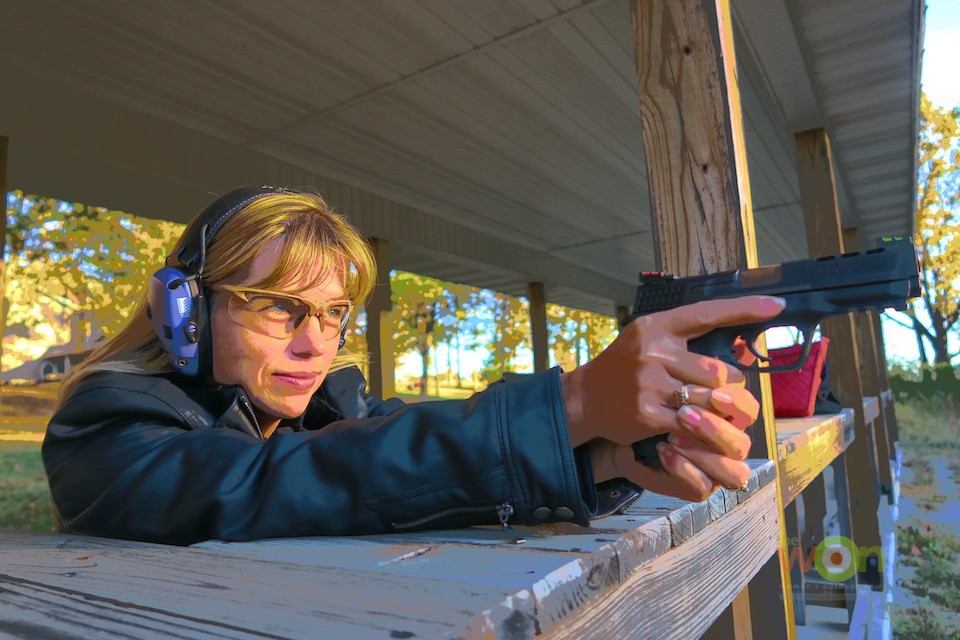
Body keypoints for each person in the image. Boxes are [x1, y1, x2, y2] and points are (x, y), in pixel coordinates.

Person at [42, 186, 785, 545]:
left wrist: (605, 457)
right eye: (279, 308)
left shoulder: (331, 407)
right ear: (188, 313)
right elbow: (269, 484)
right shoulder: (102, 429)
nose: (316, 344)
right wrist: (576, 398)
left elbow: (411, 451)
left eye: (334, 314)